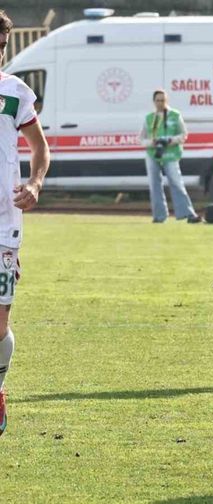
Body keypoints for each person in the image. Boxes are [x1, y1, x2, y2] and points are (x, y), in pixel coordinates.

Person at [0, 9, 51, 437]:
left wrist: (34, 183)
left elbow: (39, 147)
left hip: (4, 222)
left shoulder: (15, 92)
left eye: (1, 47)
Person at [139, 90, 201, 223]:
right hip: (153, 153)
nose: (160, 103)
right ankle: (159, 216)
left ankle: (188, 213)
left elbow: (184, 135)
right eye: (158, 100)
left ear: (166, 100)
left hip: (171, 153)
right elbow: (141, 139)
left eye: (163, 100)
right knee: (154, 184)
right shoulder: (149, 118)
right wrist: (153, 142)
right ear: (154, 102)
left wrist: (169, 140)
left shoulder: (174, 115)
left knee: (176, 181)